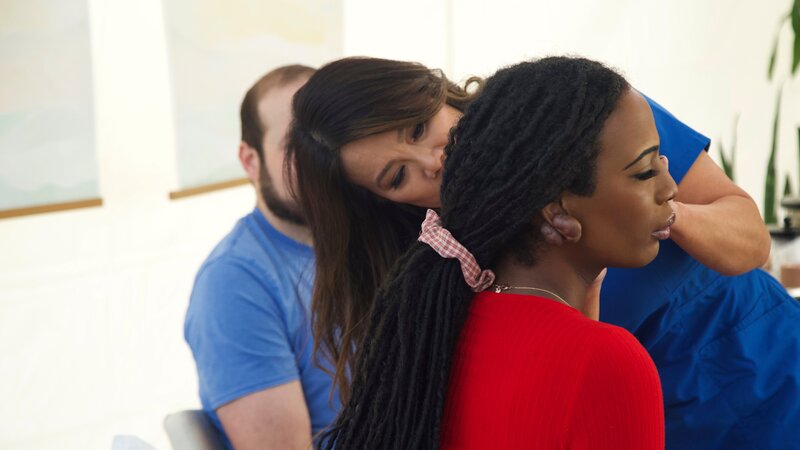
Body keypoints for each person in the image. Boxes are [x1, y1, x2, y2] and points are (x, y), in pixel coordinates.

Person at [289, 56, 800, 449]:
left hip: (771, 370)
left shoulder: (585, 114)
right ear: (384, 203)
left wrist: (650, 205)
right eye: (398, 176)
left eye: (419, 128)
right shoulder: (446, 271)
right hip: (639, 420)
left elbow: (750, 242)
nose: (433, 161)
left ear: (434, 94)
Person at [319, 56, 668, 449]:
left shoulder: (442, 329)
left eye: (418, 128)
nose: (433, 162)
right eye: (644, 172)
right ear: (556, 208)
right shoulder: (606, 360)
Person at [184, 64, 338, 450]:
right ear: (250, 161)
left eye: (326, 138)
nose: (316, 159)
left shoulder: (365, 239)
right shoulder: (234, 284)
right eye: (294, 145)